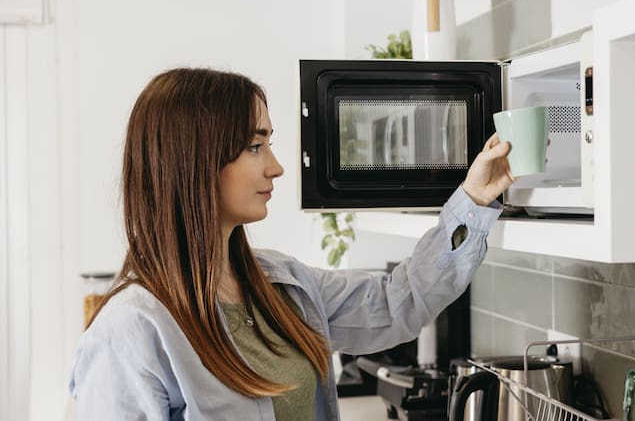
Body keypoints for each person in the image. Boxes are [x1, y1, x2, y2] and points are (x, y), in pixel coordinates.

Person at [69, 67, 515, 421]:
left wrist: (472, 200)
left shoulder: (282, 284)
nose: (278, 167)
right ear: (195, 161)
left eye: (269, 143)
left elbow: (400, 302)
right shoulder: (130, 332)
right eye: (254, 146)